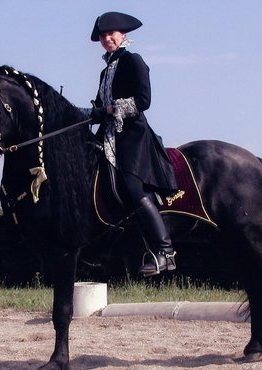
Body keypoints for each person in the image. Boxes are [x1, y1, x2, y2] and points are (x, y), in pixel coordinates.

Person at [87, 11, 178, 277]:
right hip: (108, 137)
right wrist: (85, 113)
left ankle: (166, 251)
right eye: (103, 36)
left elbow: (143, 100)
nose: (107, 39)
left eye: (111, 34)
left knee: (132, 187)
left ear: (123, 35)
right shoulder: (105, 72)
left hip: (133, 137)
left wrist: (113, 108)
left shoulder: (133, 61)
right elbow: (98, 107)